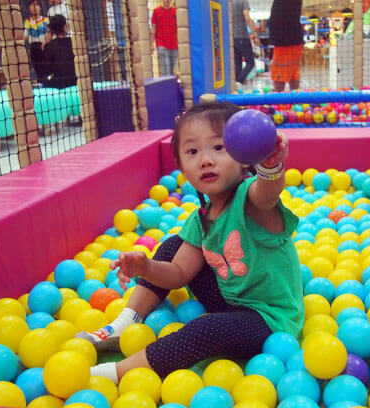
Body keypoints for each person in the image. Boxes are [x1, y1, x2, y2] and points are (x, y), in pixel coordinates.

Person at [79, 101, 304, 384]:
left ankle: (112, 373)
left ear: (244, 156)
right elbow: (178, 274)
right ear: (182, 167)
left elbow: (267, 193)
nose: (205, 160)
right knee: (173, 246)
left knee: (208, 329)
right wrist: (145, 267)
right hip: (230, 301)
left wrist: (270, 166)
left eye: (219, 147)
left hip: (268, 320)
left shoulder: (251, 200)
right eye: (192, 152)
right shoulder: (201, 221)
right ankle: (125, 323)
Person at [268, 0, 303, 92]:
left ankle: (280, 98)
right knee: (293, 71)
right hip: (294, 38)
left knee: (280, 72)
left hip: (284, 40)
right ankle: (295, 98)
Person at [41, 14, 75, 89]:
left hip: (58, 83)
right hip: (74, 80)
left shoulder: (49, 46)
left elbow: (47, 70)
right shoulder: (73, 42)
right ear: (64, 27)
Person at [232, 0, 258, 87]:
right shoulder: (243, 1)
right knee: (250, 62)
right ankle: (239, 81)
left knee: (237, 63)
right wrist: (255, 35)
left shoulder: (230, 2)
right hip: (242, 36)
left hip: (233, 37)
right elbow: (246, 17)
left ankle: (236, 84)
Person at [150, 0, 177, 76]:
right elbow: (153, 28)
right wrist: (152, 43)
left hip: (174, 45)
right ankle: (166, 82)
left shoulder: (175, 12)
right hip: (161, 44)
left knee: (171, 71)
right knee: (165, 70)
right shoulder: (156, 11)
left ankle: (170, 83)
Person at [24, 0, 48, 83]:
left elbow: (49, 34)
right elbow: (25, 36)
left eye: (36, 5)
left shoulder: (45, 20)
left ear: (40, 7)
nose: (34, 7)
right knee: (37, 69)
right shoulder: (27, 22)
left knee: (45, 69)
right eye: (32, 5)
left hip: (44, 47)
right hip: (33, 48)